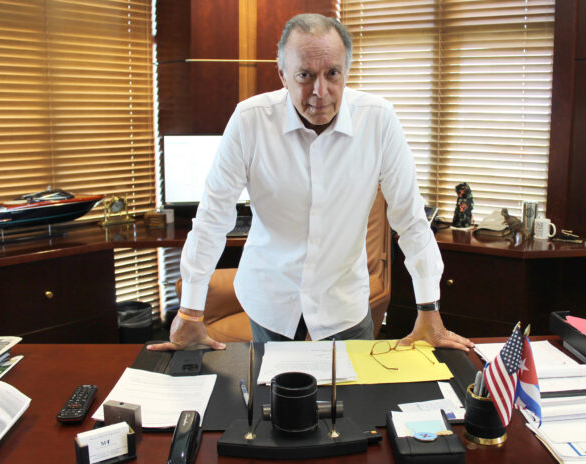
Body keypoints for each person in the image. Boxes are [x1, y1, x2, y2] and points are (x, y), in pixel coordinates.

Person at [148, 14, 473, 353]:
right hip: (269, 300)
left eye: (332, 73)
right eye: (305, 75)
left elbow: (410, 220)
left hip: (344, 304)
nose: (320, 92)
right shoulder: (249, 121)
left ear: (346, 71)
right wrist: (190, 311)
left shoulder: (379, 120)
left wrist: (428, 308)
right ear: (283, 75)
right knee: (271, 386)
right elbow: (212, 219)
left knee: (355, 388)